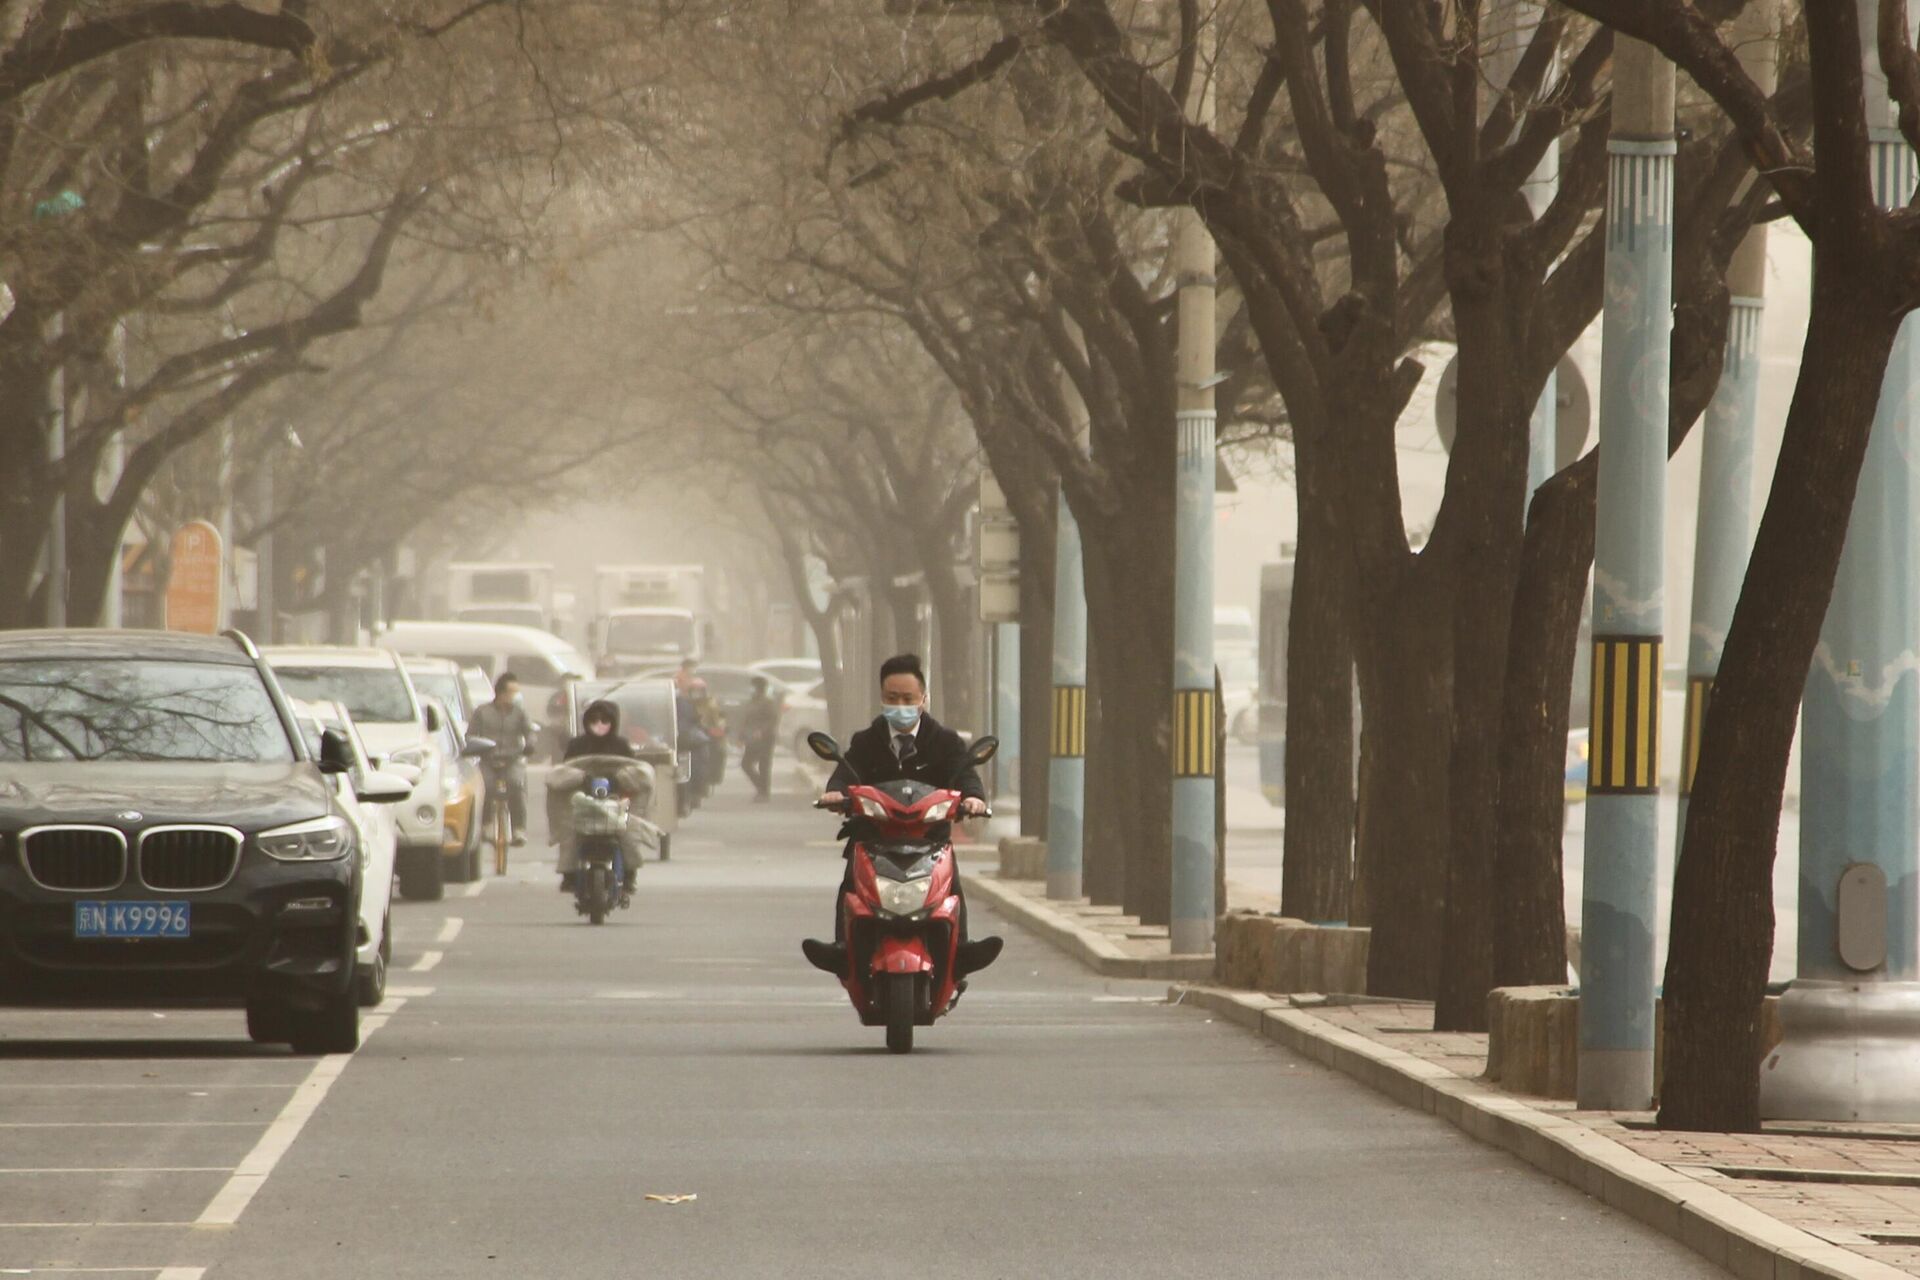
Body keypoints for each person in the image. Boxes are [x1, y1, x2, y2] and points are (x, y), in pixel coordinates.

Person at [805, 654, 997, 973]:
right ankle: (842, 947)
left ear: (924, 698)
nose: (901, 705)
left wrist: (974, 799)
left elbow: (966, 776)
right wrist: (836, 792)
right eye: (892, 698)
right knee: (851, 878)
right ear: (882, 699)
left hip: (930, 837)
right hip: (875, 836)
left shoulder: (945, 742)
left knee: (952, 879)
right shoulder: (866, 741)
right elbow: (846, 772)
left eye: (908, 698)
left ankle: (961, 947)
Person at [468, 672, 536, 847]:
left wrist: (530, 744)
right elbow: (470, 735)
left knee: (516, 784)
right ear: (501, 693)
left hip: (512, 759)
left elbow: (530, 732)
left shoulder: (520, 713)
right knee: (485, 786)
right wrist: (474, 747)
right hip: (488, 758)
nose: (515, 696)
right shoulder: (482, 712)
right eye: (512, 692)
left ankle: (519, 829)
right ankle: (486, 824)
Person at [737, 675, 779, 802]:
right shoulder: (751, 701)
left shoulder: (768, 702)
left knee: (764, 765)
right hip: (751, 738)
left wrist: (762, 731)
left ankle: (763, 792)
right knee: (746, 764)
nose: (751, 689)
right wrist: (741, 737)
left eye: (753, 687)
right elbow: (745, 720)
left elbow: (772, 720)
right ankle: (761, 787)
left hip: (765, 738)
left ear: (758, 688)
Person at [564, 698, 636, 762]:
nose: (599, 725)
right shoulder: (576, 745)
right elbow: (567, 772)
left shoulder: (621, 746)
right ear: (587, 722)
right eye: (593, 720)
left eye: (605, 720)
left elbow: (631, 772)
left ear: (613, 723)